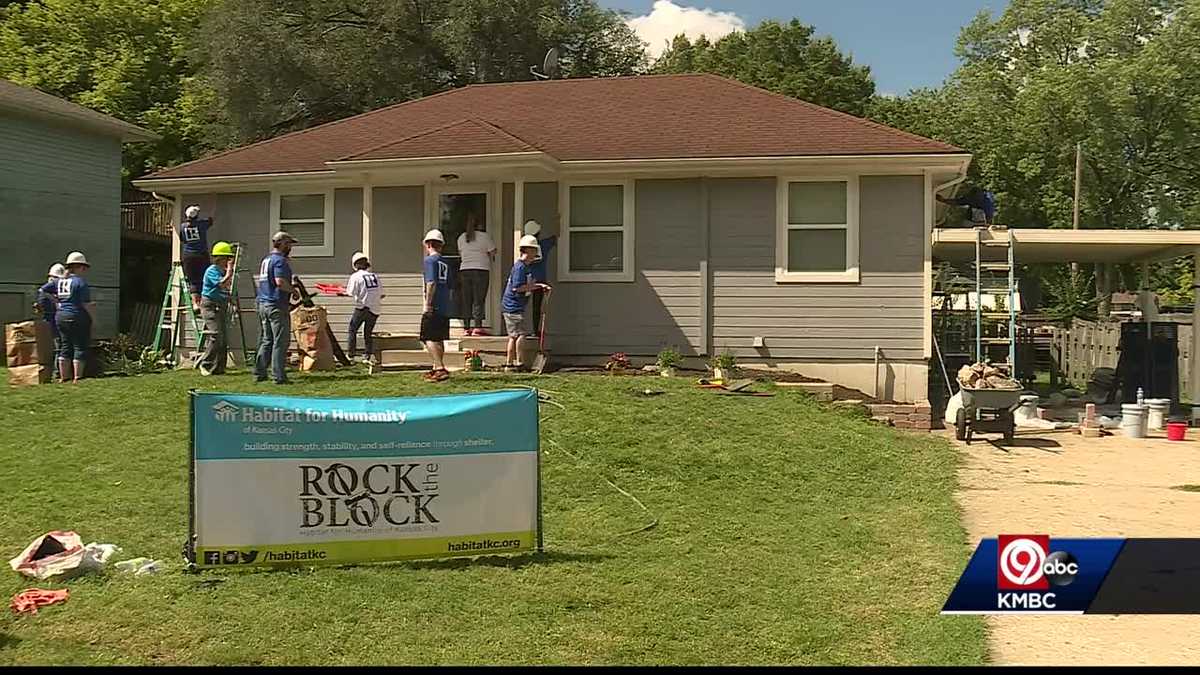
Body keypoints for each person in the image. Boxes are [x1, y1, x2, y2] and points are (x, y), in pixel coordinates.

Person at [502, 235, 551, 371]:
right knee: (520, 335)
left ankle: (509, 364)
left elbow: (527, 285)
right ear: (527, 250)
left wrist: (540, 285)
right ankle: (518, 363)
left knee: (513, 336)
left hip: (515, 306)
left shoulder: (526, 267)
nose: (536, 253)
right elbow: (517, 287)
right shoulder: (520, 268)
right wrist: (538, 287)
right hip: (513, 306)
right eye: (534, 250)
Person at [255, 231, 296, 384]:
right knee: (280, 341)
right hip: (276, 305)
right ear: (283, 244)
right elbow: (280, 282)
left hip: (263, 303)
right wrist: (294, 291)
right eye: (289, 244)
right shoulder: (280, 261)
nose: (290, 247)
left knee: (267, 340)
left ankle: (259, 372)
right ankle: (278, 376)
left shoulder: (266, 260)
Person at [55, 252, 96, 383]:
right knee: (79, 346)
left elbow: (45, 291)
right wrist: (94, 318)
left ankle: (63, 377)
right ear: (79, 267)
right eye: (84, 268)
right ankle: (77, 377)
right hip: (77, 316)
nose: (84, 271)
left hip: (61, 316)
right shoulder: (80, 283)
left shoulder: (60, 281)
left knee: (65, 346)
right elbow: (85, 304)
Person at [197, 241, 236, 376]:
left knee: (223, 338)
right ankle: (205, 364)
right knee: (216, 334)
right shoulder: (211, 271)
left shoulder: (222, 271)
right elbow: (221, 284)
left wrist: (231, 299)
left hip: (221, 305)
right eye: (227, 258)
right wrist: (230, 271)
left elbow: (225, 290)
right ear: (220, 258)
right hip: (209, 305)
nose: (228, 261)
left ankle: (219, 368)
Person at [456, 212, 496, 336]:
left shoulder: (462, 238)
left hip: (465, 270)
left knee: (466, 299)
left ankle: (466, 327)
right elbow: (493, 251)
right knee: (478, 300)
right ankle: (477, 327)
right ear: (480, 224)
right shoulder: (484, 237)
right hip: (481, 270)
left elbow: (460, 253)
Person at [420, 229, 452, 382]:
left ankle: (439, 367)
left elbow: (431, 283)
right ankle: (436, 368)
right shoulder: (445, 262)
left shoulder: (430, 261)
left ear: (428, 244)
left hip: (434, 304)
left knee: (428, 338)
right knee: (439, 338)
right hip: (444, 304)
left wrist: (428, 304)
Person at [345, 251, 383, 363]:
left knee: (352, 330)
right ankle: (367, 355)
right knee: (368, 332)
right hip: (375, 309)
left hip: (362, 307)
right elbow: (382, 294)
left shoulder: (355, 276)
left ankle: (351, 355)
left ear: (355, 264)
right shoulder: (374, 276)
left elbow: (350, 292)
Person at [178, 205, 214, 311]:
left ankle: (195, 303)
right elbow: (211, 220)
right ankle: (204, 302)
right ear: (196, 216)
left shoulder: (182, 226)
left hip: (188, 256)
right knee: (204, 278)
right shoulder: (201, 224)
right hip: (201, 255)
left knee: (192, 280)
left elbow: (182, 239)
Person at [523, 220, 557, 331]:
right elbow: (555, 238)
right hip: (540, 280)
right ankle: (535, 331)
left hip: (527, 279)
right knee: (537, 306)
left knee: (522, 304)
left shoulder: (523, 248)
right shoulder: (543, 245)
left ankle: (521, 330)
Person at [37, 263, 66, 366]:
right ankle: (57, 371)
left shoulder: (47, 292)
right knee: (59, 345)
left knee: (56, 345)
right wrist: (56, 301)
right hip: (52, 319)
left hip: (50, 318)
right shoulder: (48, 290)